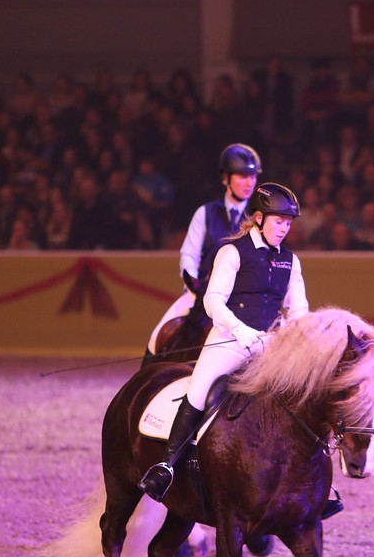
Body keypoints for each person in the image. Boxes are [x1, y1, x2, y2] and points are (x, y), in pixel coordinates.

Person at [139, 183, 348, 518]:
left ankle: (312, 481)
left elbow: (298, 311)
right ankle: (167, 466)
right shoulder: (233, 252)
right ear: (260, 218)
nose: (284, 228)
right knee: (200, 389)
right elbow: (212, 300)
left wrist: (292, 338)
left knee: (304, 396)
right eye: (279, 221)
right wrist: (241, 330)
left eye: (289, 223)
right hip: (229, 340)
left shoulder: (290, 262)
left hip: (270, 347)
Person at [146, 143, 261, 354]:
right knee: (157, 337)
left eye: (253, 177)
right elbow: (189, 255)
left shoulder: (259, 218)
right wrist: (195, 288)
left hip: (243, 298)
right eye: (243, 176)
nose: (249, 183)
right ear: (226, 178)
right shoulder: (205, 213)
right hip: (201, 295)